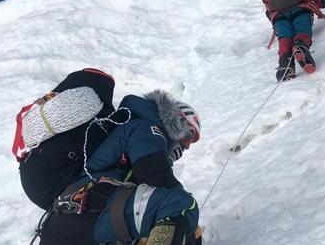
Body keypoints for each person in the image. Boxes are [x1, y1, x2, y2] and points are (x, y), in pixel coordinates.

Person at [32, 89, 203, 245]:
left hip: (69, 221)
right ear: (176, 121)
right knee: (181, 205)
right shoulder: (147, 129)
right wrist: (187, 219)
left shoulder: (132, 131)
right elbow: (156, 174)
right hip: (89, 213)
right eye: (189, 136)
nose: (187, 146)